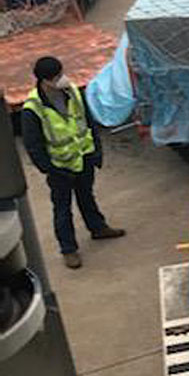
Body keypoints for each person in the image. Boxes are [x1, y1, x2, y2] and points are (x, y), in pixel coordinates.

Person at [21, 57, 125, 269]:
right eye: (56, 77)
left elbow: (87, 122)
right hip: (60, 167)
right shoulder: (33, 108)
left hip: (83, 157)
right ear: (44, 81)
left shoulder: (73, 92)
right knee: (62, 208)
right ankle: (68, 249)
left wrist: (95, 151)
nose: (61, 79)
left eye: (61, 73)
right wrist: (50, 169)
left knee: (87, 197)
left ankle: (98, 228)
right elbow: (33, 145)